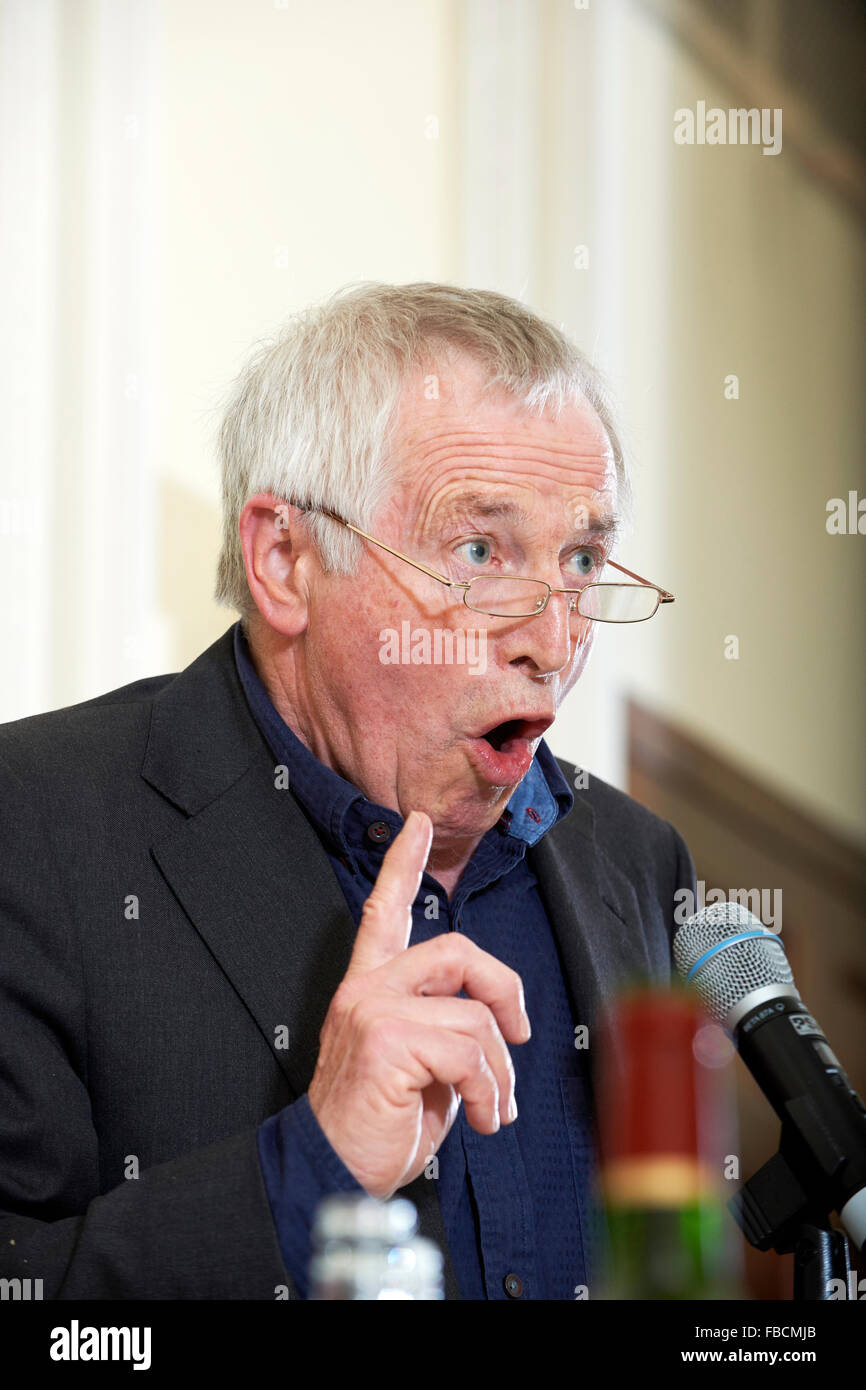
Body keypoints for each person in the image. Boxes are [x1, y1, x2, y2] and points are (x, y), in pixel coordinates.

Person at [0, 282, 695, 1300]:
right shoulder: (38, 824)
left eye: (582, 559)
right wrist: (308, 1171)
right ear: (285, 559)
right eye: (477, 551)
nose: (551, 643)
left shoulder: (634, 863)